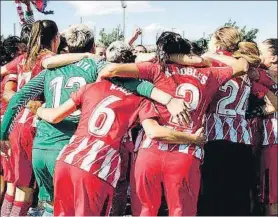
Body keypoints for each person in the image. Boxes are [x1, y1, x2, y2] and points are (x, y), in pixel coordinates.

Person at [0, 26, 191, 216]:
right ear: (92, 47)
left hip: (42, 147)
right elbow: (132, 83)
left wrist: (3, 133)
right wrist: (169, 99)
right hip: (76, 149)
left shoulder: (50, 69)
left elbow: (18, 99)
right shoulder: (96, 68)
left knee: (48, 206)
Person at [98, 31, 249, 216]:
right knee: (181, 211)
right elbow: (243, 66)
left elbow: (110, 69)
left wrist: (163, 58)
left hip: (150, 152)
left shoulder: (156, 69)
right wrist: (205, 58)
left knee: (145, 211)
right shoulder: (209, 74)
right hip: (185, 154)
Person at [33, 77, 205, 216]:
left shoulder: (91, 86)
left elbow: (55, 115)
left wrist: (38, 109)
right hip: (96, 166)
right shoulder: (140, 100)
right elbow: (154, 132)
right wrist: (193, 138)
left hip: (66, 159)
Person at [0, 20, 59, 217]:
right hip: (34, 128)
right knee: (29, 191)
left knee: (16, 187)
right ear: (55, 38)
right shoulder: (51, 60)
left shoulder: (23, 59)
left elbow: (4, 76)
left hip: (16, 125)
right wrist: (34, 104)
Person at [257, 38, 278, 216]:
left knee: (271, 197)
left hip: (273, 142)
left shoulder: (265, 76)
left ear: (274, 58)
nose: (257, 54)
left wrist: (255, 111)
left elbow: (273, 106)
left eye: (261, 51)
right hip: (267, 141)